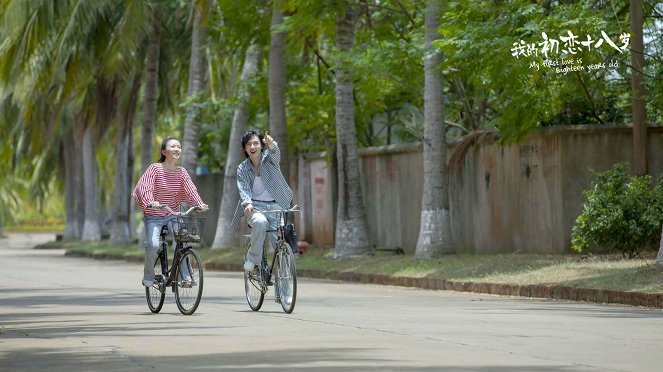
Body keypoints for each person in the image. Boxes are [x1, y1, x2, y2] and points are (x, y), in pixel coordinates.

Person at [132, 136, 209, 287]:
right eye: (173, 146)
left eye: (179, 146)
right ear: (163, 151)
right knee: (153, 245)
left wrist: (199, 204)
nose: (177, 149)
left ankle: (185, 277)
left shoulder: (181, 172)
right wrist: (150, 202)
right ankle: (149, 275)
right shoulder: (155, 168)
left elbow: (190, 189)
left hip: (173, 214)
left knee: (184, 241)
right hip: (154, 215)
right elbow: (145, 186)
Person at [230, 129, 293, 272]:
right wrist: (247, 203)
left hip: (276, 206)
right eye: (248, 144)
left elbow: (276, 154)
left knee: (280, 244)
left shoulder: (269, 159)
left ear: (261, 145)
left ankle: (285, 288)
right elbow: (243, 188)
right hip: (255, 207)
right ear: (244, 148)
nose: (252, 147)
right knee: (260, 222)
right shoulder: (242, 168)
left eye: (255, 143)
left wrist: (272, 144)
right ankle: (253, 259)